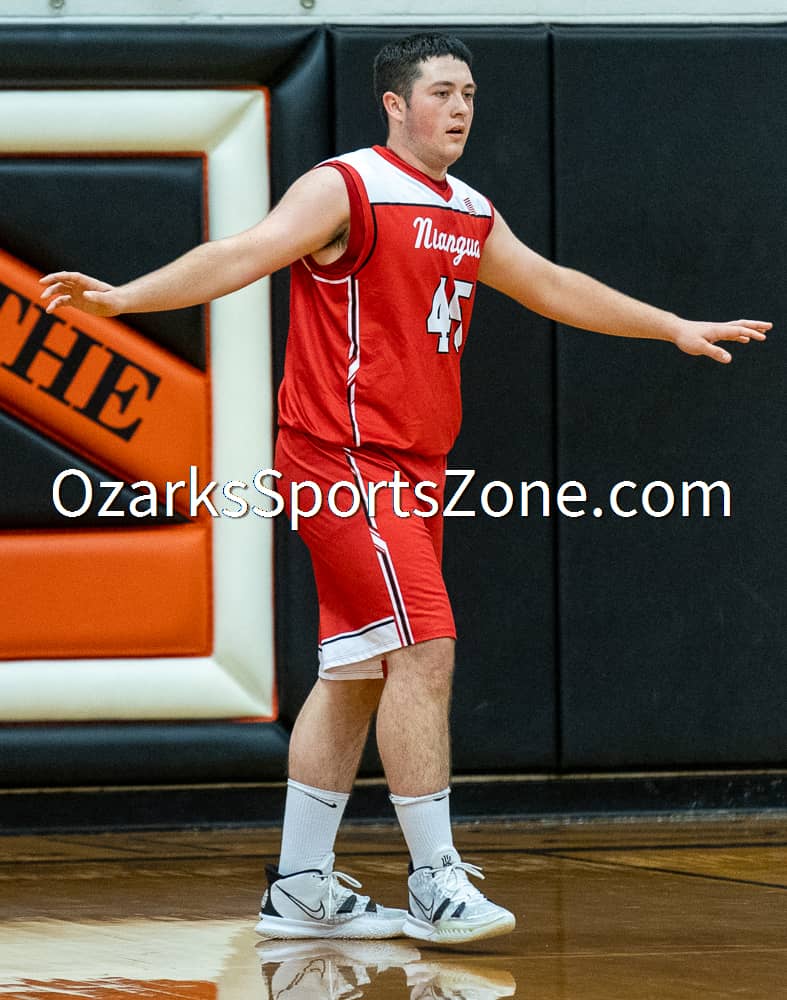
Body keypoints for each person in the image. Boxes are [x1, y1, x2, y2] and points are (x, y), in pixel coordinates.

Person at [40, 33, 770, 945]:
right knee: (425, 651)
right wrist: (124, 299)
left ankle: (299, 887)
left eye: (469, 94)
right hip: (343, 460)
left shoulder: (466, 208)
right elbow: (242, 253)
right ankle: (433, 880)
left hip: (413, 472)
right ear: (394, 103)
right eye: (441, 92)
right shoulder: (344, 186)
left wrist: (668, 325)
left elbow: (549, 284)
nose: (460, 109)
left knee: (354, 674)